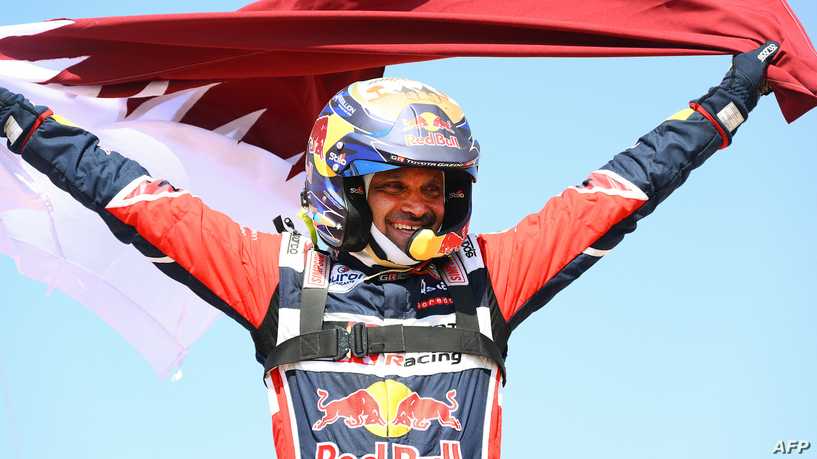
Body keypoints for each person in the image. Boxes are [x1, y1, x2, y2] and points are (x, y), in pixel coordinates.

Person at [0, 41, 780, 459]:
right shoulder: (274, 280)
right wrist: (18, 119)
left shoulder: (488, 278)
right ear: (344, 185)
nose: (419, 206)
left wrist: (729, 99)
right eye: (396, 186)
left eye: (435, 190)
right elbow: (126, 193)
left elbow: (617, 191)